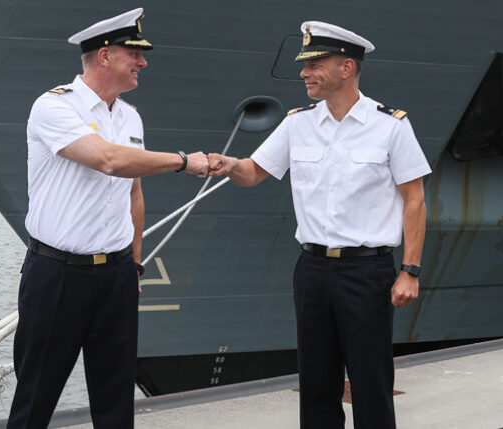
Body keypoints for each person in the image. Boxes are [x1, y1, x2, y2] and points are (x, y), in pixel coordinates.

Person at [208, 21, 431, 429]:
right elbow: (254, 171)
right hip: (311, 271)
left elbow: (414, 199)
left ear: (346, 68)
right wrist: (229, 166)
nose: (305, 73)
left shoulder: (391, 126)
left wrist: (410, 270)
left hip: (368, 271)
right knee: (316, 382)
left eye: (314, 64)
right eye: (305, 65)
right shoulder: (298, 123)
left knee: (370, 381)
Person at [6, 8, 208, 429]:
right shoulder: (54, 107)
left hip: (116, 275)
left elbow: (133, 190)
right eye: (135, 53)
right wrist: (185, 162)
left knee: (116, 400)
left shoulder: (129, 116)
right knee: (35, 398)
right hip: (57, 275)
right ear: (104, 56)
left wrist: (134, 264)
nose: (143, 62)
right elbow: (109, 160)